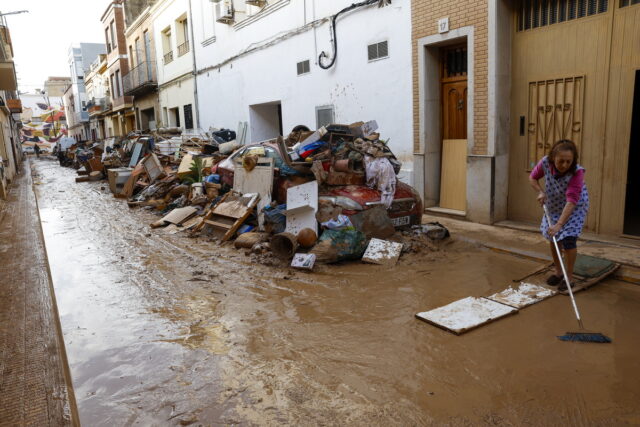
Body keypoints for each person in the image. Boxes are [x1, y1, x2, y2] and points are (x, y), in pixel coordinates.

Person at [529, 139, 589, 291]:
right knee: (553, 237)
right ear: (553, 158)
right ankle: (558, 272)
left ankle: (569, 277)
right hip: (554, 204)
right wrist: (540, 191)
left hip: (574, 207)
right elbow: (533, 177)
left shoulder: (577, 172)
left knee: (568, 240)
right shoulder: (545, 163)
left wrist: (559, 224)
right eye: (560, 161)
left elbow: (571, 200)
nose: (564, 165)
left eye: (568, 161)